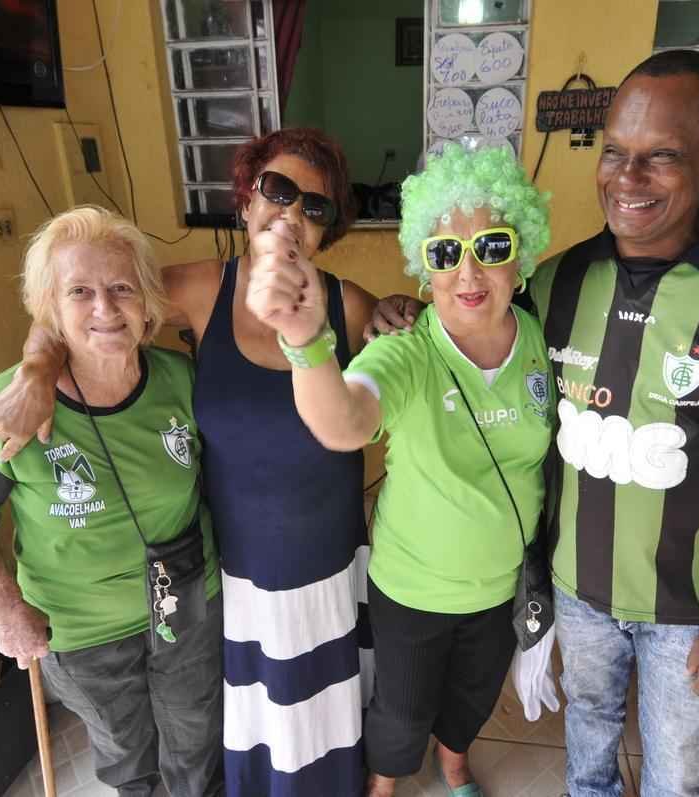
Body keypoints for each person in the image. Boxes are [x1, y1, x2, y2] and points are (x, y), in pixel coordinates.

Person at [371, 50, 699, 796]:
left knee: (677, 774)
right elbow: (466, 321)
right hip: (578, 594)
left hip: (694, 611)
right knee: (587, 742)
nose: (628, 180)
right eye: (616, 154)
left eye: (661, 157)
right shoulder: (557, 281)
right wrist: (390, 311)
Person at [0, 128, 377, 797]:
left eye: (316, 207)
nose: (291, 213)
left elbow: (423, 356)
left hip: (333, 554)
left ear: (328, 230)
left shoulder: (350, 304)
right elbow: (89, 305)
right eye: (278, 191)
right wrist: (35, 370)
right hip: (242, 564)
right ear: (248, 198)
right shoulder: (200, 290)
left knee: (328, 708)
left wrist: (401, 309)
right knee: (259, 717)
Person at [247, 142, 552, 797]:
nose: (469, 272)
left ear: (520, 258)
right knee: (402, 707)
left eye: (492, 247)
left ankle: (454, 762)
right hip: (414, 588)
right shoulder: (407, 354)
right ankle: (384, 782)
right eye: (445, 252)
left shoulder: (539, 342)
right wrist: (306, 341)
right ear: (424, 266)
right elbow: (344, 421)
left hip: (500, 584)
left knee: (472, 697)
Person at [0, 206, 223, 797]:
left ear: (147, 302)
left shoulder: (182, 381)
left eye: (121, 288)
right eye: (80, 292)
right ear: (51, 310)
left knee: (196, 738)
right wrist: (2, 606)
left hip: (188, 604)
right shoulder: (8, 407)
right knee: (127, 755)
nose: (105, 309)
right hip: (82, 631)